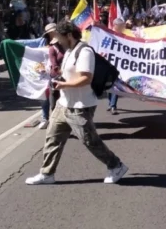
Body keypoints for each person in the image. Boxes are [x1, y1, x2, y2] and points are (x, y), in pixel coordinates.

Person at [25, 21, 128, 185]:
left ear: (69, 35)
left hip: (80, 106)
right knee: (52, 138)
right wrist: (57, 75)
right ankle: (47, 173)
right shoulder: (69, 51)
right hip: (64, 103)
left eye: (59, 37)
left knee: (90, 141)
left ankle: (116, 166)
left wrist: (63, 85)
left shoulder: (84, 51)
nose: (57, 41)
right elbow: (69, 72)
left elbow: (86, 78)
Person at [43, 33, 66, 128]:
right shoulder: (52, 49)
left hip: (66, 78)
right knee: (53, 104)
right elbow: (54, 63)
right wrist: (60, 71)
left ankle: (64, 124)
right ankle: (53, 123)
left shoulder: (67, 48)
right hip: (55, 77)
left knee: (65, 103)